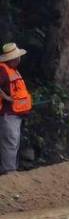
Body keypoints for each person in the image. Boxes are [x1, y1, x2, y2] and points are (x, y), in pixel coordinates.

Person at [0, 42, 32, 175]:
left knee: (14, 142)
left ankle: (11, 170)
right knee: (10, 142)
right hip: (8, 113)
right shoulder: (2, 70)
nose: (19, 59)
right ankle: (9, 172)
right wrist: (6, 98)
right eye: (17, 56)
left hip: (16, 113)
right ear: (12, 58)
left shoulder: (12, 70)